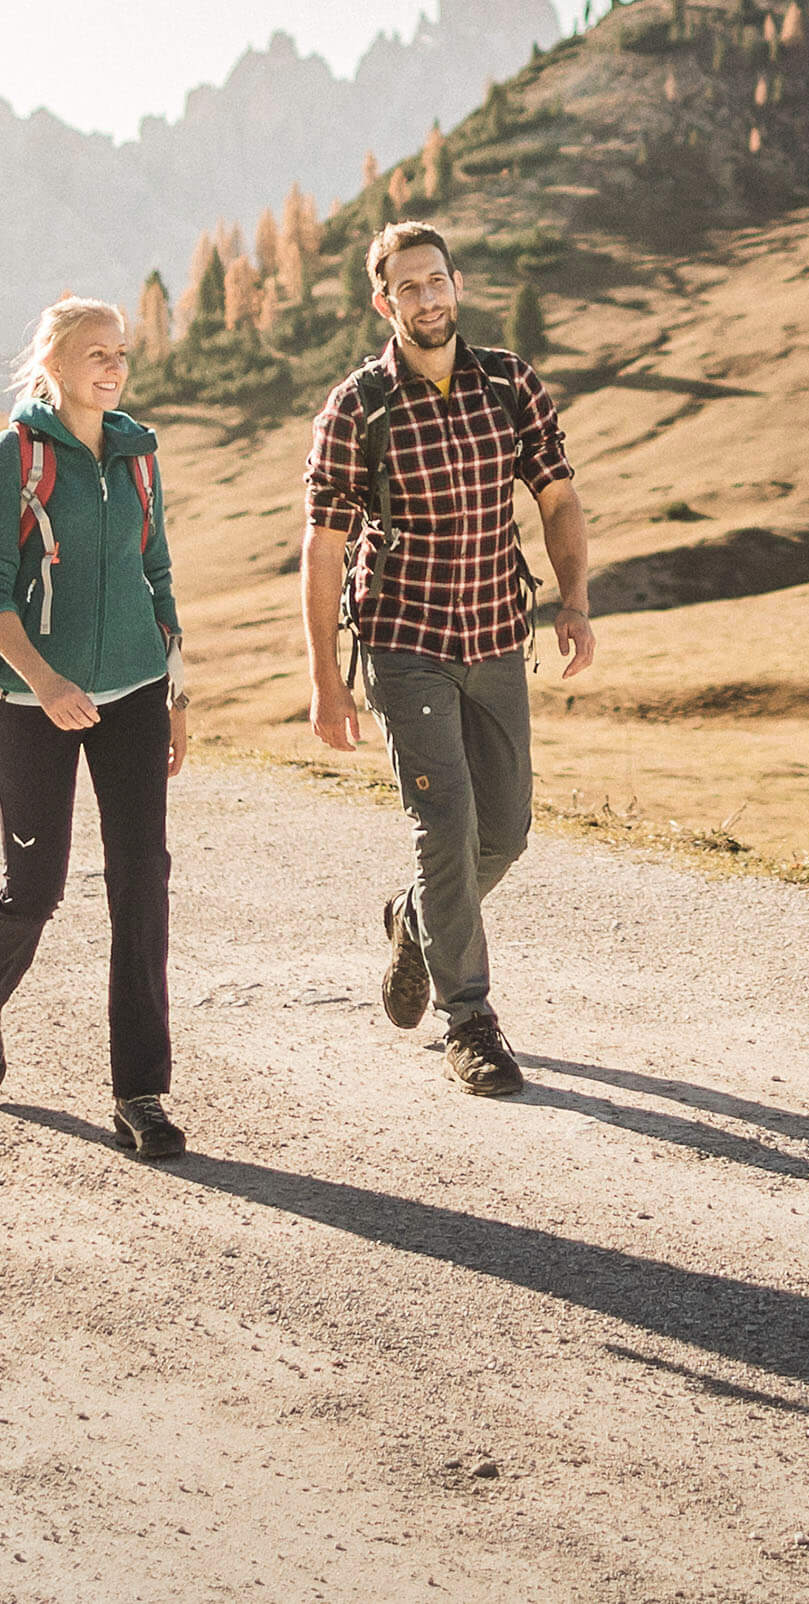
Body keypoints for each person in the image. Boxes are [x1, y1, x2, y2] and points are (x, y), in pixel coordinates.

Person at [301, 220, 595, 1096]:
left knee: (506, 832)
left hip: (498, 634)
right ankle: (470, 1021)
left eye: (437, 282)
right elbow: (322, 549)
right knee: (447, 824)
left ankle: (413, 920)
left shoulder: (508, 383)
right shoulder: (358, 407)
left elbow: (558, 498)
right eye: (407, 288)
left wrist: (573, 600)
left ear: (455, 285)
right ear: (381, 301)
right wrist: (325, 679)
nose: (426, 300)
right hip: (404, 643)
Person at [0, 297, 190, 1160]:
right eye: (95, 351)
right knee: (38, 886)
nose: (112, 365)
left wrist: (175, 693)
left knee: (141, 881)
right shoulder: (13, 456)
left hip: (131, 693)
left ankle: (141, 1092)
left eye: (120, 352)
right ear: (51, 361)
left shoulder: (136, 453)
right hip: (31, 703)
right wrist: (45, 680)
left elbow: (156, 571)